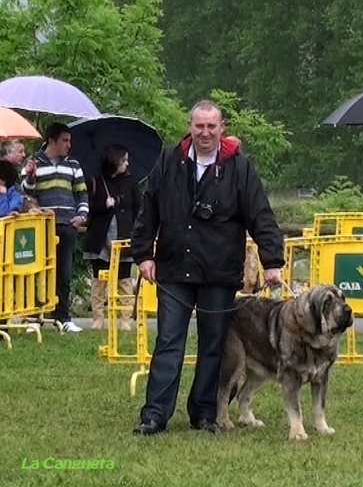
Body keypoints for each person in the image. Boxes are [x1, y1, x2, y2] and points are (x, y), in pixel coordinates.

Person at [131, 99, 285, 436]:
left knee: (213, 345)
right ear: (190, 126)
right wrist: (143, 254)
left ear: (221, 128)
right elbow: (149, 210)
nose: (205, 132)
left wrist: (271, 260)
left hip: (219, 272)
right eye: (199, 126)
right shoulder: (169, 162)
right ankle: (154, 415)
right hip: (174, 268)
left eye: (211, 126)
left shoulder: (240, 168)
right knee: (169, 342)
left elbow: (260, 214)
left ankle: (204, 413)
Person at [21, 122, 89, 333]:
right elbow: (26, 191)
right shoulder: (33, 162)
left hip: (67, 223)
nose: (69, 145)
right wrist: (31, 176)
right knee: (37, 269)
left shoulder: (74, 164)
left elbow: (82, 193)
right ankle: (35, 317)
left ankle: (63, 317)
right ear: (52, 140)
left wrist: (82, 215)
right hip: (41, 224)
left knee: (64, 271)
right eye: (64, 140)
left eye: (69, 140)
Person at [83, 144, 141, 330]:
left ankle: (125, 319)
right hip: (100, 236)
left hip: (123, 235)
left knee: (124, 278)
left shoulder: (131, 181)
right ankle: (98, 318)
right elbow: (88, 208)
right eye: (123, 160)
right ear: (114, 161)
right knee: (99, 278)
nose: (127, 164)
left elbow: (138, 208)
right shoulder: (96, 181)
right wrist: (103, 204)